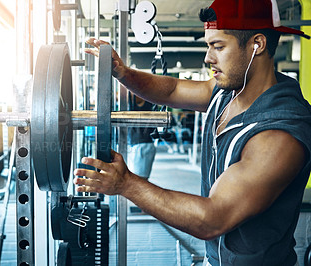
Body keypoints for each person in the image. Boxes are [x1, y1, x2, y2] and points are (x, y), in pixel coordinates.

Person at [73, 0, 311, 265]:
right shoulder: (226, 92)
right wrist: (124, 73)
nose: (208, 58)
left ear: (257, 44)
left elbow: (212, 218)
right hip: (215, 258)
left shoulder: (280, 136)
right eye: (208, 46)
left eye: (218, 47)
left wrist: (126, 183)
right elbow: (173, 90)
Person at [127, 94, 156, 180]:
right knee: (135, 181)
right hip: (135, 143)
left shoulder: (141, 95)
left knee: (140, 182)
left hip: (142, 145)